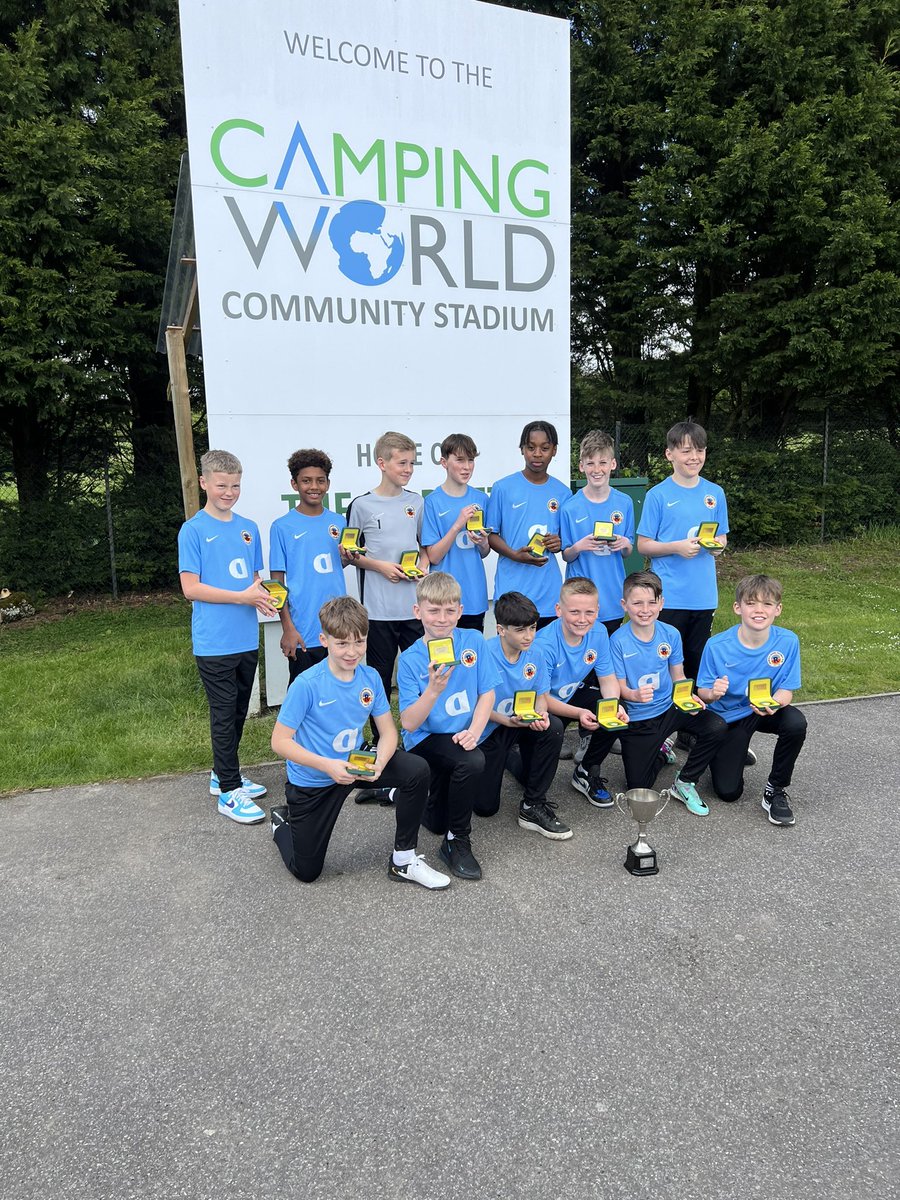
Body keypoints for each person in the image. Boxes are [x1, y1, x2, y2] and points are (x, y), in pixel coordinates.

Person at [269, 596, 450, 889]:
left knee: (416, 770)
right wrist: (327, 765)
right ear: (324, 640)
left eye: (359, 642)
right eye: (342, 644)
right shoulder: (306, 684)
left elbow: (389, 732)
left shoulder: (370, 677)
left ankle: (404, 860)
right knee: (306, 871)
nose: (352, 652)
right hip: (316, 778)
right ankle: (280, 821)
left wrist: (380, 762)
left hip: (356, 762)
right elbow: (279, 741)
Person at [177, 449, 276, 824]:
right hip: (214, 641)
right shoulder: (194, 530)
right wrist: (243, 597)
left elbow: (254, 580)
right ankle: (230, 794)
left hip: (245, 638)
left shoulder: (248, 527)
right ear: (204, 483)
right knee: (222, 714)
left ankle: (223, 775)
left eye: (235, 485)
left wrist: (263, 596)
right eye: (221, 485)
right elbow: (191, 588)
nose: (229, 492)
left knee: (237, 712)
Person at [398, 572, 499, 880]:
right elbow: (409, 723)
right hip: (427, 738)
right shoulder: (411, 659)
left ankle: (453, 839)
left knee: (468, 763)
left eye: (449, 610)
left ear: (459, 610)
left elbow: (488, 692)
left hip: (460, 735)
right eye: (433, 610)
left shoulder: (473, 640)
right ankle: (457, 838)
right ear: (418, 612)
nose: (441, 618)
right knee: (470, 761)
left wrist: (475, 731)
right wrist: (433, 691)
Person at [692, 575, 807, 826]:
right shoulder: (717, 645)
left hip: (764, 711)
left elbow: (786, 691)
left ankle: (775, 789)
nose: (759, 610)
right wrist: (714, 692)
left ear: (778, 609)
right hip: (729, 717)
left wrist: (773, 704)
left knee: (796, 723)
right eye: (751, 603)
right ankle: (726, 750)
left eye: (767, 604)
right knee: (728, 793)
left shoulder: (788, 641)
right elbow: (702, 692)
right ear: (737, 608)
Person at [610, 571, 728, 814]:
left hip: (670, 707)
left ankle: (685, 781)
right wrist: (633, 695)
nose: (645, 609)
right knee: (638, 788)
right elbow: (619, 685)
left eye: (652, 602)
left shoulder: (671, 634)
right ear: (624, 605)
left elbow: (677, 674)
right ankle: (662, 751)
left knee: (716, 726)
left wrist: (686, 695)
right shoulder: (618, 641)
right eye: (637, 603)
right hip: (640, 716)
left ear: (661, 603)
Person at [636, 419, 728, 683]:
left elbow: (722, 537)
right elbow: (643, 545)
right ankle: (663, 715)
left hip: (704, 595)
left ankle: (694, 718)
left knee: (697, 659)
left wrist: (717, 547)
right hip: (670, 596)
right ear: (670, 454)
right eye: (686, 451)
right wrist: (676, 547)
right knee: (666, 660)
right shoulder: (658, 495)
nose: (694, 457)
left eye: (700, 450)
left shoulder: (715, 493)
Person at [476, 591, 568, 838]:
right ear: (500, 629)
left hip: (522, 722)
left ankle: (533, 804)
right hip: (491, 728)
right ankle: (504, 758)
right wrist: (505, 720)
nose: (529, 636)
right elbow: (476, 704)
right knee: (485, 808)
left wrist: (541, 715)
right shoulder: (484, 654)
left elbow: (541, 695)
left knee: (554, 727)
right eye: (520, 630)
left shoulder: (536, 653)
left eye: (533, 628)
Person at [346, 431, 425, 708]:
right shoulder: (361, 505)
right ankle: (381, 740)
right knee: (379, 680)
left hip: (414, 609)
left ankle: (420, 738)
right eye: (402, 463)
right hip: (378, 612)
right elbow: (349, 555)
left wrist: (423, 567)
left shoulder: (416, 502)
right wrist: (380, 566)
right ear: (382, 463)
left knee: (421, 675)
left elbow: (423, 547)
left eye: (412, 463)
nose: (408, 470)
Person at [534, 576, 627, 808]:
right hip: (545, 705)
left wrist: (612, 706)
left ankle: (587, 770)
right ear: (558, 609)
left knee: (612, 709)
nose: (582, 619)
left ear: (598, 610)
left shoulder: (600, 632)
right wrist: (579, 714)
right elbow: (542, 699)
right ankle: (515, 757)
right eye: (574, 612)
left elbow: (607, 680)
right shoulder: (544, 643)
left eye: (589, 612)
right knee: (528, 774)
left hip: (572, 696)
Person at [268, 448, 348, 684]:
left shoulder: (338, 522)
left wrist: (348, 557)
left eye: (320, 480)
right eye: (306, 481)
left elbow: (336, 566)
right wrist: (287, 627)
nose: (314, 486)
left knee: (339, 689)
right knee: (304, 693)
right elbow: (276, 584)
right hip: (303, 629)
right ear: (294, 484)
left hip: (337, 626)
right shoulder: (282, 527)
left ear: (328, 483)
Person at [486, 420, 572, 628]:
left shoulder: (563, 493)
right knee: (511, 655)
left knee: (544, 657)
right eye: (531, 447)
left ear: (554, 450)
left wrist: (558, 543)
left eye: (545, 448)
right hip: (512, 591)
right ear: (522, 449)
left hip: (547, 594)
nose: (537, 454)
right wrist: (515, 555)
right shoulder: (503, 488)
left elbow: (566, 542)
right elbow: (491, 535)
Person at [561, 429, 635, 637]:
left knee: (609, 660)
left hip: (612, 596)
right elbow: (566, 554)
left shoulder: (624, 502)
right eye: (590, 463)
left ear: (613, 464)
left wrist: (624, 544)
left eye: (602, 463)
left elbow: (628, 550)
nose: (597, 469)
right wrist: (579, 546)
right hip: (580, 601)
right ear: (581, 466)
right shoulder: (570, 507)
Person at [421, 432, 491, 631]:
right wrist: (457, 525)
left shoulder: (481, 499)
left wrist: (483, 543)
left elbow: (484, 553)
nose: (467, 466)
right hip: (443, 598)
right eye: (460, 460)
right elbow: (433, 556)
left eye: (470, 460)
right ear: (444, 462)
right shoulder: (433, 501)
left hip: (474, 595)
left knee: (471, 656)